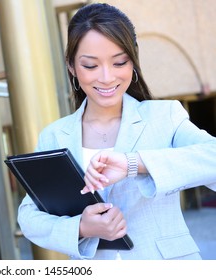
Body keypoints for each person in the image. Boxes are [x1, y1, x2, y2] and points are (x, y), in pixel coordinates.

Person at [17, 2, 216, 260]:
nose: (107, 77)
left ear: (133, 61)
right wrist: (80, 228)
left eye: (119, 62)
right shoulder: (54, 135)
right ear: (71, 66)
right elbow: (29, 215)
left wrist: (134, 163)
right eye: (90, 65)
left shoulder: (164, 116)